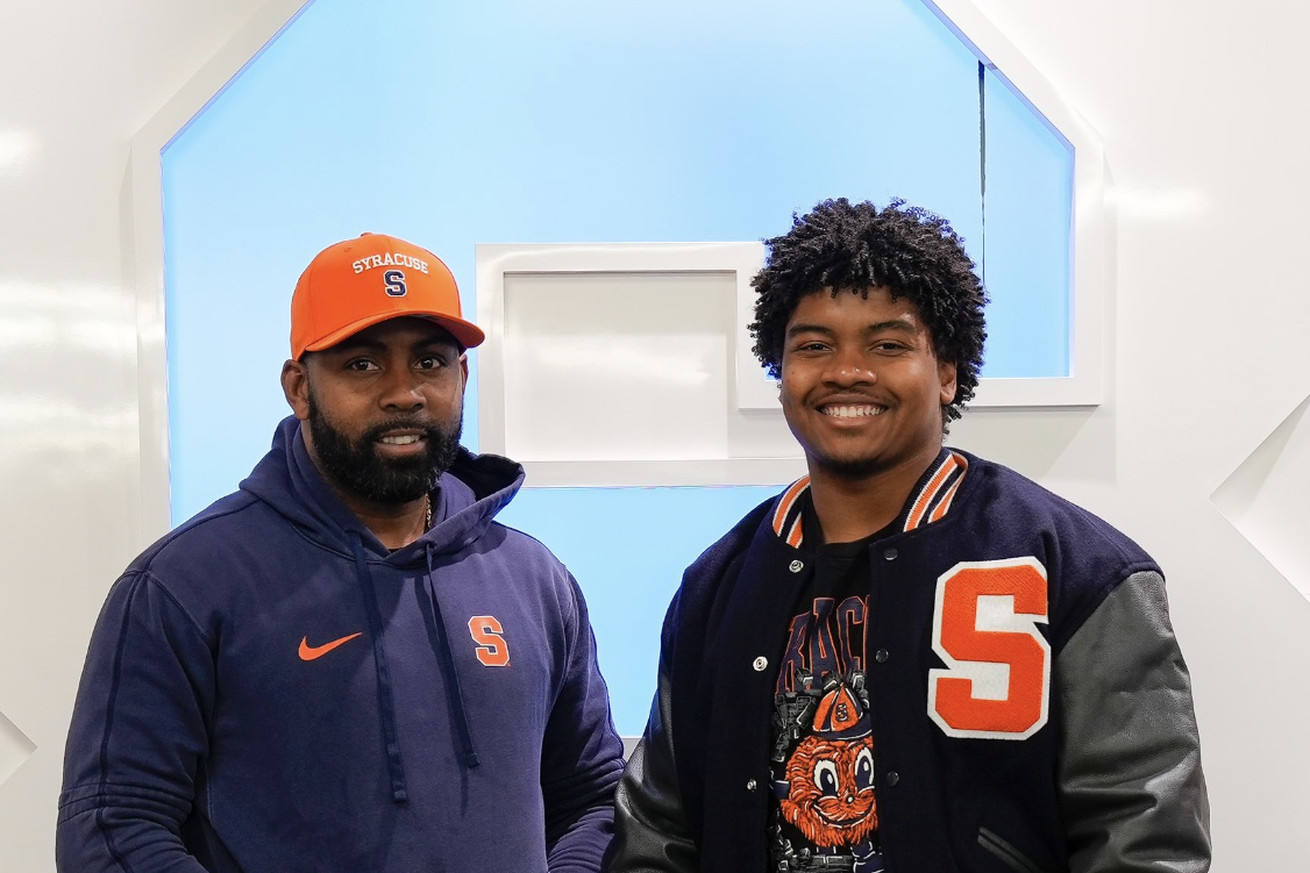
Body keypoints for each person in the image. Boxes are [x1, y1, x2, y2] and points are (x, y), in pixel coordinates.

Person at [606, 199, 1210, 873]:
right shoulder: (717, 585)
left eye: (887, 344)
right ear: (781, 376)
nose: (847, 370)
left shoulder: (1081, 571)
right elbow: (658, 831)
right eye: (813, 345)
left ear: (947, 372)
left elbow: (1145, 838)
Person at [58, 233, 625, 872]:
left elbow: (593, 798)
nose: (403, 393)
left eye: (431, 362)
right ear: (300, 387)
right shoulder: (184, 583)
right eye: (363, 364)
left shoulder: (532, 577)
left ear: (462, 377)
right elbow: (113, 826)